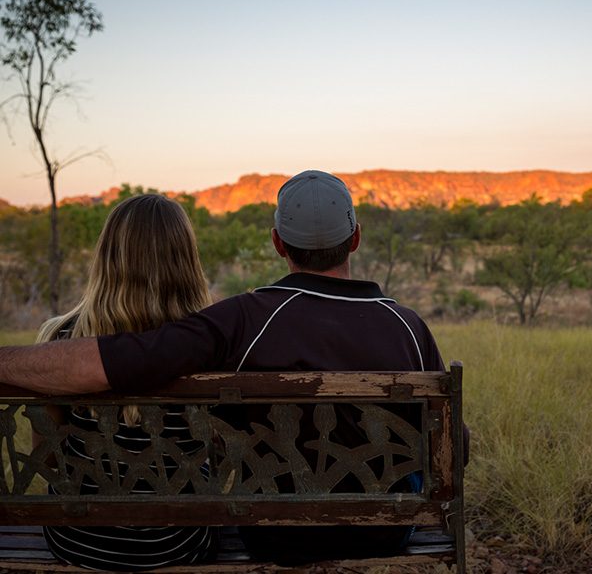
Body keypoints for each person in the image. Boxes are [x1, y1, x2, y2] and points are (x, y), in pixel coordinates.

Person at [0, 170, 447, 563]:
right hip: (385, 530)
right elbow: (448, 445)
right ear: (356, 238)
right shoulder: (410, 327)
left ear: (278, 243)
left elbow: (125, 362)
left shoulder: (243, 319)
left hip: (274, 535)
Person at [35, 194, 217, 571]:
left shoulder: (59, 341)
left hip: (80, 540)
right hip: (178, 542)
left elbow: (46, 458)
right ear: (185, 260)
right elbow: (217, 451)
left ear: (107, 257)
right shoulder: (211, 344)